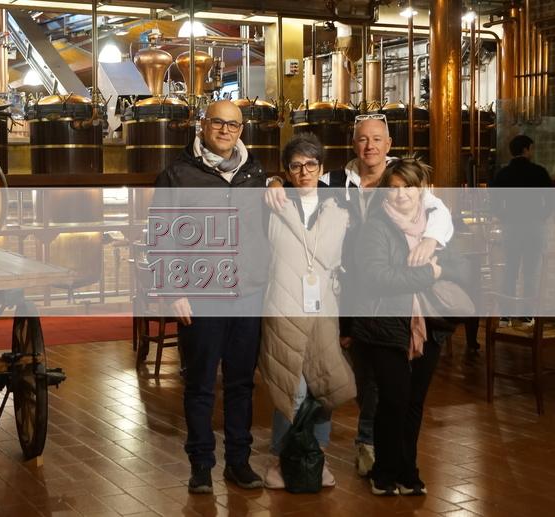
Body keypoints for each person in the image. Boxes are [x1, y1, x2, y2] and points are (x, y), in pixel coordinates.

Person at [265, 114, 454, 477]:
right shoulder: (335, 180)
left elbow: (438, 210)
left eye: (377, 139)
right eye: (363, 139)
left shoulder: (400, 178)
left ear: (389, 144)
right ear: (353, 144)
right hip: (346, 290)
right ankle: (299, 454)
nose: (370, 146)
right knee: (339, 372)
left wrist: (431, 239)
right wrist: (273, 181)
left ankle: (367, 443)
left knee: (377, 376)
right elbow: (296, 180)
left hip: (388, 288)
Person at [155, 99, 267, 493]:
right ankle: (201, 465)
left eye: (232, 125)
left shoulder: (255, 173)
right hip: (201, 294)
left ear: (241, 130)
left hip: (248, 293)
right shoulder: (177, 174)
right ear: (203, 125)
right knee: (200, 384)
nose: (224, 130)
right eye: (217, 122)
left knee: (241, 384)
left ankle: (239, 461)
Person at [351, 158, 469, 496]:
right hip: (385, 325)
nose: (401, 195)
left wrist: (438, 263)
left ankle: (408, 471)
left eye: (409, 187)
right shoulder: (375, 227)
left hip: (429, 326)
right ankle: (384, 472)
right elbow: (378, 278)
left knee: (414, 401)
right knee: (394, 400)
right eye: (394, 188)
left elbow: (462, 268)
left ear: (422, 190)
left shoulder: (436, 229)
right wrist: (430, 273)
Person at [258, 133, 356, 490]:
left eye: (311, 164)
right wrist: (271, 182)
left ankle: (318, 456)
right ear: (287, 170)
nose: (304, 172)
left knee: (323, 384)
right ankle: (280, 461)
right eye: (296, 166)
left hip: (324, 307)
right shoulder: (273, 203)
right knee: (291, 387)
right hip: (282, 305)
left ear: (321, 167)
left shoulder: (340, 207)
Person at [489, 135, 554, 314]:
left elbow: (493, 203)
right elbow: (551, 200)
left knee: (510, 271)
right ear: (526, 149)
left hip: (512, 228)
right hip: (534, 228)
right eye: (531, 148)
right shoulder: (539, 172)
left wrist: (505, 217)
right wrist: (541, 216)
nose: (532, 151)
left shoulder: (503, 174)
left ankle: (506, 314)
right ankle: (527, 315)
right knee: (531, 273)